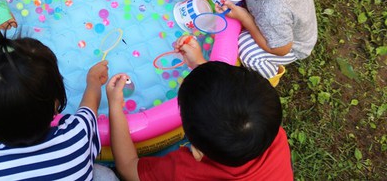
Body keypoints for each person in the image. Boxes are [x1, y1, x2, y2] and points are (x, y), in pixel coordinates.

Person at [0, 23, 117, 180]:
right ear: (56, 104)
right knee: (105, 175)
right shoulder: (77, 136)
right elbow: (89, 108)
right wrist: (93, 81)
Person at [106, 35, 293, 180]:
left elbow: (128, 168)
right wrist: (201, 66)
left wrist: (114, 107)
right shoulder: (274, 136)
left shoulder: (184, 173)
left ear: (196, 151)